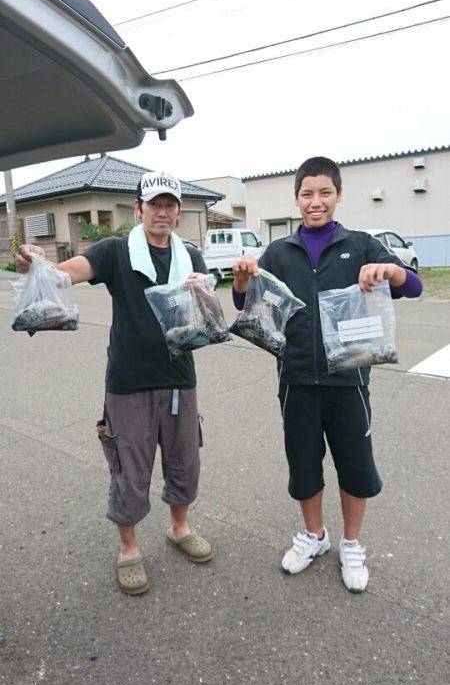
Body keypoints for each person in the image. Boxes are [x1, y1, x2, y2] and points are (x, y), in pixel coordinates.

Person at [232, 156, 422, 593]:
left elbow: (413, 286)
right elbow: (247, 305)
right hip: (296, 379)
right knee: (304, 466)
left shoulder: (361, 244)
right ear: (296, 199)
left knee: (355, 466)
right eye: (307, 194)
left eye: (324, 193)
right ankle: (314, 536)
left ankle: (351, 543)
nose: (315, 201)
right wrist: (241, 281)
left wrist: (390, 270)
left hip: (348, 381)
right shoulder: (279, 252)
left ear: (338, 195)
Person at [17, 171, 213, 595]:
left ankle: (179, 528)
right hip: (128, 382)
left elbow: (207, 316)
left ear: (179, 211)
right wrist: (35, 263)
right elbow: (64, 274)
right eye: (154, 204)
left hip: (180, 378)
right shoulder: (115, 251)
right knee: (130, 467)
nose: (162, 211)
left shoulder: (191, 257)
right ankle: (128, 548)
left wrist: (205, 291)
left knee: (184, 460)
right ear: (139, 208)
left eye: (170, 204)